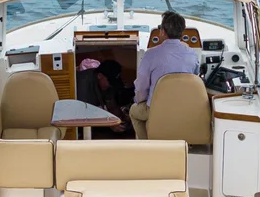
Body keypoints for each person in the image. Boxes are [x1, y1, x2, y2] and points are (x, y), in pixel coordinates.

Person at [129, 11, 200, 139]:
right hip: (185, 109)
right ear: (182, 33)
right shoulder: (192, 54)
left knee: (134, 112)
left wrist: (140, 101)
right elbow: (195, 79)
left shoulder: (151, 54)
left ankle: (149, 145)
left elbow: (141, 85)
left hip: (157, 109)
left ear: (162, 32)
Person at [76, 60, 130, 133]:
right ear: (99, 76)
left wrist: (123, 117)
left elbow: (112, 106)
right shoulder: (83, 83)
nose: (110, 86)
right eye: (109, 82)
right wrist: (108, 123)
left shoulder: (106, 84)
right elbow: (82, 114)